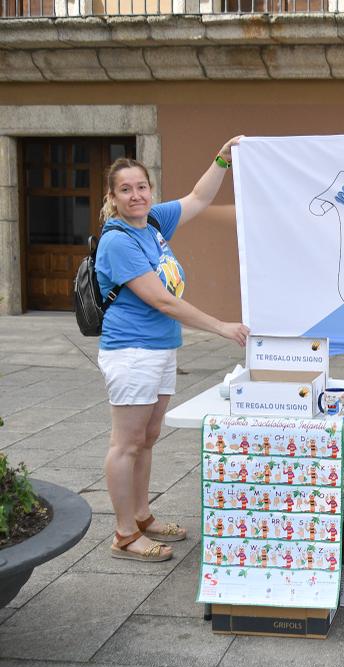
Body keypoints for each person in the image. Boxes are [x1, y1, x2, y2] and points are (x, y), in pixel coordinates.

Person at [96, 138, 249, 562]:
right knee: (126, 443)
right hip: (131, 352)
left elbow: (199, 197)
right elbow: (161, 300)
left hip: (160, 349)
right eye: (125, 189)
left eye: (141, 186)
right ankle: (125, 534)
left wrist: (221, 157)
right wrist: (221, 326)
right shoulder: (119, 240)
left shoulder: (154, 222)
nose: (136, 195)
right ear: (112, 197)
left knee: (147, 438)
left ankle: (142, 516)